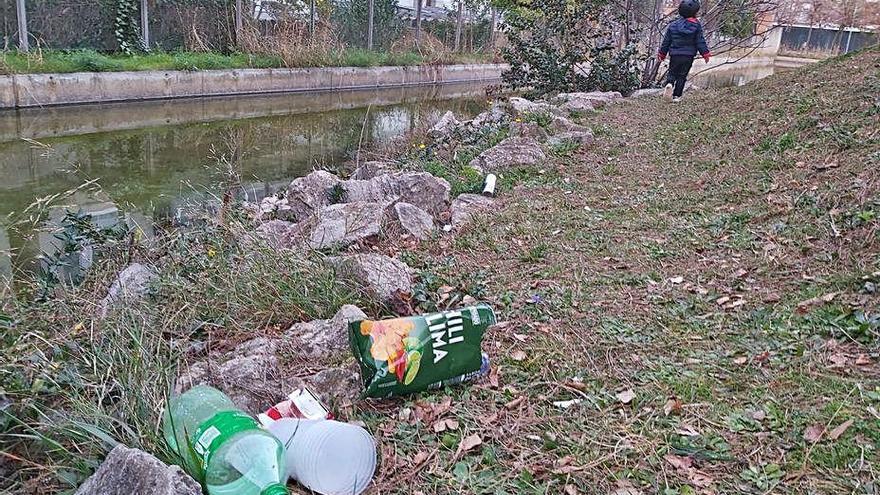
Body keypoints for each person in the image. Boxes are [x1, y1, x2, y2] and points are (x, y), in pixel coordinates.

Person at [658, 0, 711, 102]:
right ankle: (677, 96)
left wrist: (662, 53)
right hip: (688, 55)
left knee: (672, 72)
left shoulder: (673, 25)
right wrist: (705, 54)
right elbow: (700, 41)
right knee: (682, 76)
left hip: (675, 55)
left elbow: (666, 41)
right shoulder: (696, 25)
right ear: (695, 12)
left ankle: (669, 83)